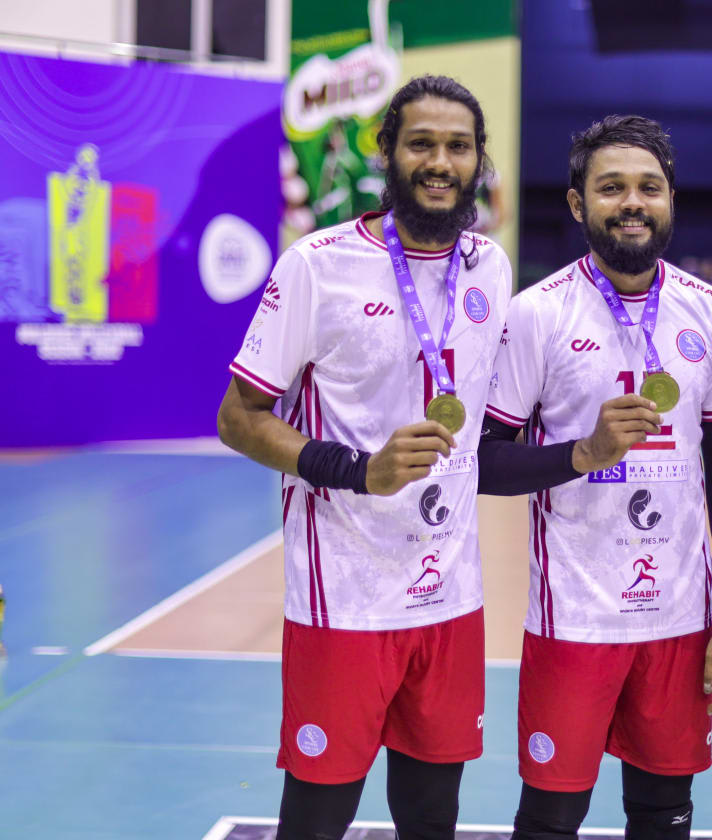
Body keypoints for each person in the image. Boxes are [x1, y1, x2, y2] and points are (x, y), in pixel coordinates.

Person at [215, 75, 512, 840]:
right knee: (318, 818)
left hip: (450, 599)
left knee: (432, 815)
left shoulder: (491, 267)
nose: (440, 162)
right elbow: (239, 419)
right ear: (387, 152)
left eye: (458, 146)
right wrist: (359, 470)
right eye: (421, 144)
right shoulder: (317, 265)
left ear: (479, 160)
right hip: (343, 602)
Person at [477, 115, 712, 840]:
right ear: (578, 204)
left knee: (664, 816)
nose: (632, 202)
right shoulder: (536, 314)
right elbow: (483, 461)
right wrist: (581, 453)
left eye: (648, 187)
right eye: (611, 188)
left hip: (680, 623)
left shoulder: (710, 312)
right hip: (573, 621)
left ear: (670, 200)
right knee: (550, 818)